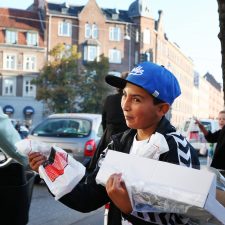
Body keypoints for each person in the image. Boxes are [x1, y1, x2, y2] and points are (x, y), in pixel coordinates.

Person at [28, 62, 200, 225]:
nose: (125, 105)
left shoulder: (177, 149)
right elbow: (88, 198)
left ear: (162, 108)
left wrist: (130, 209)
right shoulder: (118, 143)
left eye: (136, 99)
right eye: (124, 95)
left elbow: (184, 219)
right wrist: (48, 170)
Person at [88, 72, 129, 170]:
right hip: (126, 139)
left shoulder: (110, 99)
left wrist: (106, 133)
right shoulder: (128, 101)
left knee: (104, 168)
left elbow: (104, 120)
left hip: (109, 136)